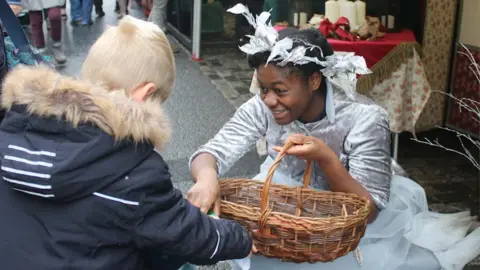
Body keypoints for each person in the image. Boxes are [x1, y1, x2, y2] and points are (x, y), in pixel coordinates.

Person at [188, 4, 480, 270]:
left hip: (345, 218)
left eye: (279, 90)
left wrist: (326, 159)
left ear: (314, 81)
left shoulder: (364, 117)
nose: (268, 100)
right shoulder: (263, 105)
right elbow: (211, 152)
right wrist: (206, 177)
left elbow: (370, 209)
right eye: (263, 89)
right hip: (281, 204)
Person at [0, 15, 252, 269]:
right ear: (144, 94)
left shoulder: (16, 131)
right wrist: (238, 238)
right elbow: (188, 234)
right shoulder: (133, 173)